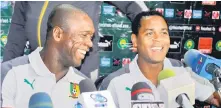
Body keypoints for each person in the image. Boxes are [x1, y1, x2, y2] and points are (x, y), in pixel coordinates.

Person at [99, 11, 221, 108]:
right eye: (149, 33)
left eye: (163, 33)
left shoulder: (180, 71)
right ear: (135, 40)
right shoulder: (114, 82)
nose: (158, 39)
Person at [1, 4, 95, 108]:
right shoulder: (10, 72)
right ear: (58, 34)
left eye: (91, 37)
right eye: (84, 35)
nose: (90, 43)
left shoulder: (84, 84)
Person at [2, 1, 148, 80]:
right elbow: (18, 29)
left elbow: (133, 4)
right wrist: (7, 73)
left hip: (81, 69)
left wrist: (149, 31)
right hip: (39, 68)